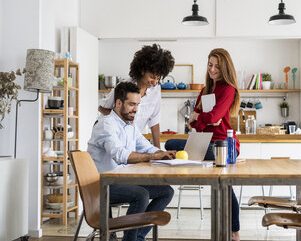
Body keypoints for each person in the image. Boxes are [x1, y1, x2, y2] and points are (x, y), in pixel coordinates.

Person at [165, 48, 241, 241]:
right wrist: (202, 119)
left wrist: (201, 117)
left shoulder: (228, 89)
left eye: (217, 66)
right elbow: (192, 122)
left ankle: (234, 231)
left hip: (222, 144)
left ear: (225, 68)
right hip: (204, 140)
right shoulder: (206, 90)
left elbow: (214, 118)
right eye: (210, 64)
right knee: (171, 143)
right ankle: (233, 232)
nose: (212, 69)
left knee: (225, 184)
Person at [88, 81, 176, 241]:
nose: (136, 109)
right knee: (141, 195)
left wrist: (163, 154)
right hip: (102, 184)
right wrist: (153, 157)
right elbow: (120, 155)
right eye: (132, 104)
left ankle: (137, 237)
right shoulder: (106, 124)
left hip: (120, 181)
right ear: (119, 103)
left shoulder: (129, 125)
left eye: (137, 104)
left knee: (166, 191)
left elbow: (145, 146)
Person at [99, 43, 175, 148]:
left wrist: (158, 151)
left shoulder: (156, 90)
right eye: (152, 77)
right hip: (114, 139)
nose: (154, 82)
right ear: (142, 70)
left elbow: (154, 121)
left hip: (133, 140)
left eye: (158, 78)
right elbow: (102, 108)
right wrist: (122, 120)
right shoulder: (123, 87)